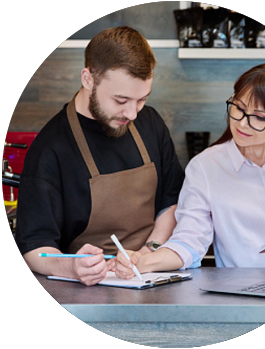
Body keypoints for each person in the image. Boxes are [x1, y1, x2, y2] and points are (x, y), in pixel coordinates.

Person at [114, 63, 265, 279]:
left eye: (259, 118)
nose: (242, 124)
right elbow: (189, 241)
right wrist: (144, 262)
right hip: (244, 291)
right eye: (239, 108)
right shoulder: (205, 167)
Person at [15, 26, 185, 286]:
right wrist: (73, 268)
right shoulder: (50, 149)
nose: (132, 114)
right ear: (88, 79)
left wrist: (148, 252)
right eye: (121, 100)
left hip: (154, 274)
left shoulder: (150, 122)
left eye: (141, 100)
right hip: (90, 289)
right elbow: (35, 247)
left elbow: (171, 202)